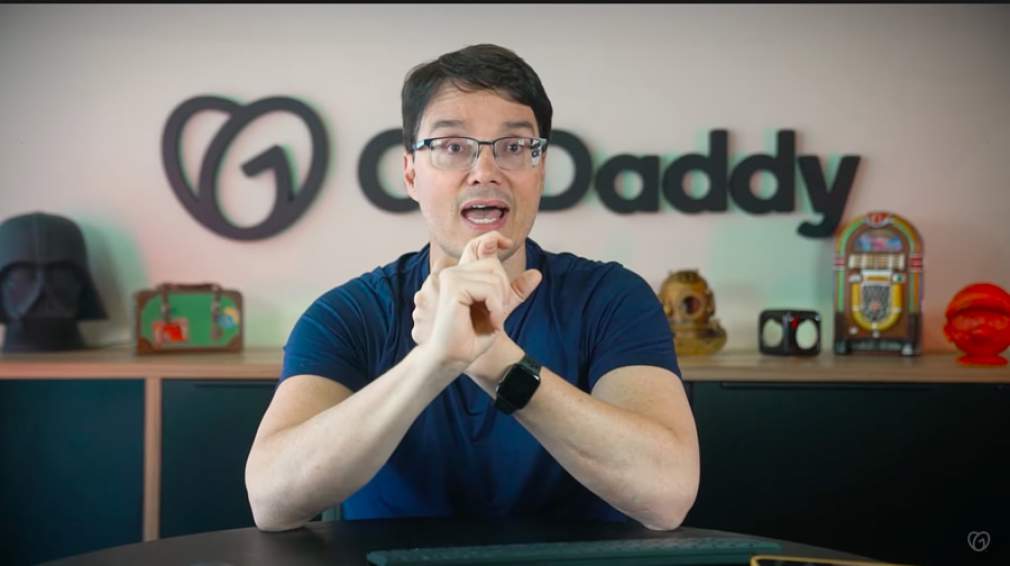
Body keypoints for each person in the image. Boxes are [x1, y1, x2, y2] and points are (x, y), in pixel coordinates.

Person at [245, 43, 700, 532]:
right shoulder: (347, 315)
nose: (485, 171)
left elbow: (667, 495)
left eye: (514, 147)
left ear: (540, 169)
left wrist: (498, 362)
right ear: (410, 173)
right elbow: (270, 499)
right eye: (452, 147)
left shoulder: (612, 300)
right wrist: (434, 360)